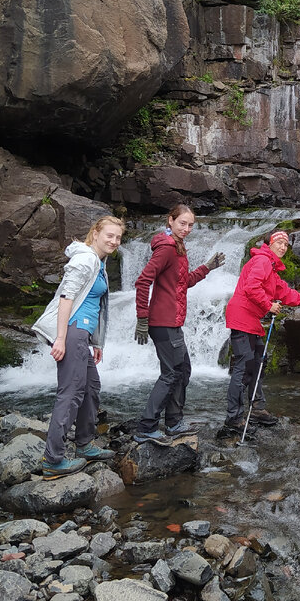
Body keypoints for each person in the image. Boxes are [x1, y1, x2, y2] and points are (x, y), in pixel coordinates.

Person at [31, 215, 125, 478]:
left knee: (91, 387)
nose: (114, 241)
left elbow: (93, 305)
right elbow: (67, 296)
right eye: (109, 235)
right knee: (70, 392)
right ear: (95, 233)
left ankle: (84, 444)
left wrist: (96, 341)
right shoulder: (85, 259)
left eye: (118, 237)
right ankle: (53, 459)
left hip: (82, 335)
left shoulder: (99, 262)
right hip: (71, 332)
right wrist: (60, 338)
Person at [134, 203, 225, 442]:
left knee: (182, 370)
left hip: (173, 322)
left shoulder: (178, 247)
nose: (186, 228)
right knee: (171, 373)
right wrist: (142, 318)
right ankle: (147, 426)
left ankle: (174, 422)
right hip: (162, 322)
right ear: (170, 221)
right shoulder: (166, 249)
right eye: (182, 223)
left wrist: (207, 267)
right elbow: (143, 281)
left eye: (190, 225)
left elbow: (184, 282)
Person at [222, 229, 300, 433]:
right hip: (241, 317)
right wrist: (268, 305)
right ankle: (234, 418)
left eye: (285, 244)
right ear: (269, 244)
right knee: (244, 367)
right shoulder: (263, 261)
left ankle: (257, 409)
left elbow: (285, 293)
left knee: (257, 364)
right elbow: (251, 287)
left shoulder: (271, 269)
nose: (283, 247)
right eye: (279, 243)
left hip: (250, 320)